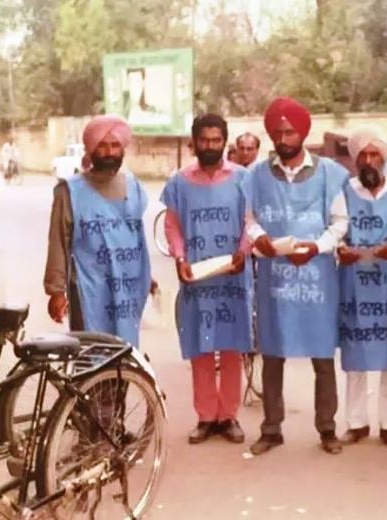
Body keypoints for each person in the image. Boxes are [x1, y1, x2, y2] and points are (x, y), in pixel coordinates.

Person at [245, 97, 349, 455]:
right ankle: (271, 428)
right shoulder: (256, 175)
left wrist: (317, 247)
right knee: (273, 354)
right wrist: (261, 240)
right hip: (275, 276)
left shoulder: (330, 173)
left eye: (290, 131)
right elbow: (249, 219)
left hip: (316, 276)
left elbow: (340, 223)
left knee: (322, 357)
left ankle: (327, 429)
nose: (284, 137)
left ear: (303, 133)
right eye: (278, 131)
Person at [160, 114, 252, 445]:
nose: (210, 146)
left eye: (216, 140)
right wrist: (180, 258)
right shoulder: (179, 183)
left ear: (224, 142)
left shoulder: (244, 178)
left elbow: (251, 221)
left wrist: (244, 250)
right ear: (194, 142)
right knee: (200, 345)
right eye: (205, 140)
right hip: (197, 277)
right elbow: (172, 225)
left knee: (230, 346)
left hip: (232, 276)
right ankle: (205, 417)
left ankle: (228, 416)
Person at [44, 115, 153, 347]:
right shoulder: (70, 191)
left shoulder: (134, 186)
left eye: (115, 145)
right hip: (88, 287)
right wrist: (56, 291)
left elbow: (137, 239)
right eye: (102, 146)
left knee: (123, 353)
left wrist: (146, 275)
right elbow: (58, 242)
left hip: (126, 288)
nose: (109, 152)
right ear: (91, 149)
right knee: (91, 355)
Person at [338, 124, 387, 448]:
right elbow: (335, 228)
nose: (368, 160)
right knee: (356, 355)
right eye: (362, 155)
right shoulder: (344, 190)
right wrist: (342, 251)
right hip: (354, 283)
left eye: (374, 154)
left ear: (384, 159)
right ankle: (356, 422)